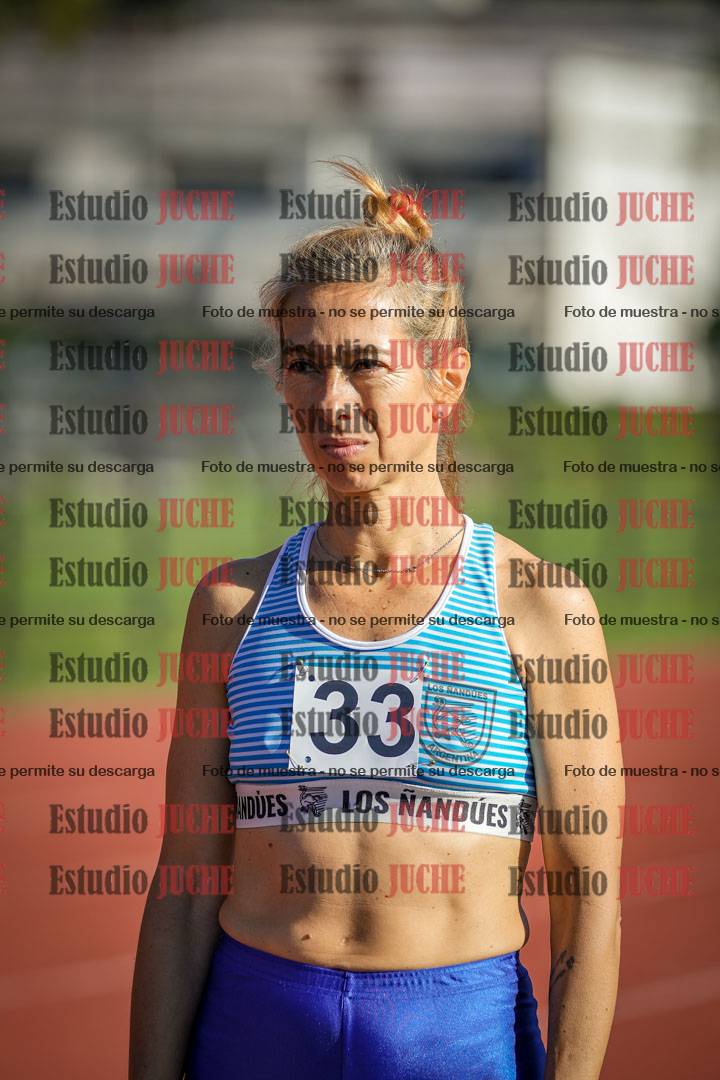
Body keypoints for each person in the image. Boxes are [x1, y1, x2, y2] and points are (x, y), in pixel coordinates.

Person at [129, 161, 623, 1080]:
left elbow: (588, 905)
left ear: (447, 375)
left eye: (365, 363)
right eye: (304, 364)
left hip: (455, 1037)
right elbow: (186, 890)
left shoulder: (539, 610)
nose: (331, 401)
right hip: (254, 1029)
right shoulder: (231, 609)